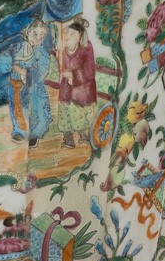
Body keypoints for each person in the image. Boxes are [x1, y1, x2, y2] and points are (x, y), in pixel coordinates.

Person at [53, 17, 98, 159]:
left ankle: (84, 135)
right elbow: (61, 69)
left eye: (72, 34)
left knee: (82, 112)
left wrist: (73, 75)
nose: (68, 36)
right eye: (67, 33)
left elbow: (90, 71)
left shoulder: (86, 48)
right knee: (65, 111)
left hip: (83, 88)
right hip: (67, 87)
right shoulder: (64, 49)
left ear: (80, 36)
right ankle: (68, 139)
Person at [7, 13, 56, 143]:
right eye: (35, 34)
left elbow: (43, 70)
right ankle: (19, 131)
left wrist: (24, 72)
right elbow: (8, 61)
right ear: (28, 32)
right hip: (17, 84)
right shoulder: (18, 46)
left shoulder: (42, 51)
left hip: (35, 86)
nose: (39, 38)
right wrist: (13, 69)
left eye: (42, 34)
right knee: (18, 107)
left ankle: (36, 132)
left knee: (38, 108)